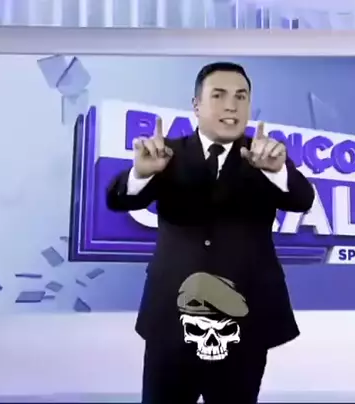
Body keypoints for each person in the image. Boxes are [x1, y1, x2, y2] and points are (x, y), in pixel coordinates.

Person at [106, 62, 314, 404]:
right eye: (219, 95)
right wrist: (140, 174)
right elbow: (119, 199)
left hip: (244, 321)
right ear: (197, 105)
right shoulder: (165, 154)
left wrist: (277, 172)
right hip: (171, 318)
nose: (231, 106)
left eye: (241, 97)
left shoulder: (264, 156)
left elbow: (302, 199)